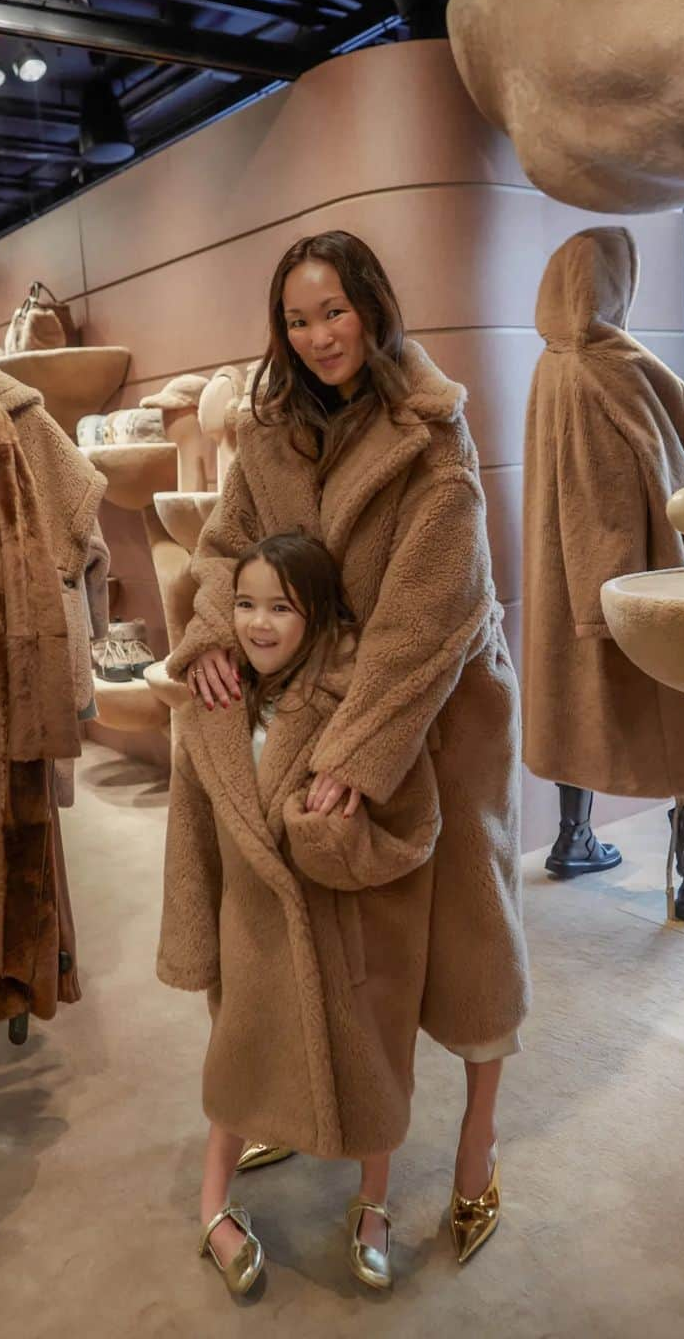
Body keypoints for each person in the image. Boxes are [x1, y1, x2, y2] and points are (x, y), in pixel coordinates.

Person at [166, 230, 530, 1266]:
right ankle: (295, 1088)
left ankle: (477, 1143)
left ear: (371, 304)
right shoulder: (272, 430)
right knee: (314, 927)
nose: (318, 334)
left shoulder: (433, 436)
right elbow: (226, 543)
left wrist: (357, 751)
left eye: (334, 309)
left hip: (441, 706)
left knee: (469, 942)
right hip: (314, 693)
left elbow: (427, 614)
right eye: (296, 317)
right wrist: (206, 640)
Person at [158, 533, 443, 1293]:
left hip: (343, 931)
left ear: (316, 616)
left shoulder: (357, 711)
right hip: (249, 930)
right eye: (245, 604)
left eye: (280, 607)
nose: (257, 624)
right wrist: (194, 940)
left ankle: (373, 1202)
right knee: (235, 1070)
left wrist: (331, 834)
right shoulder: (209, 710)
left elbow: (414, 824)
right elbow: (189, 834)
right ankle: (213, 1208)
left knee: (372, 1072)